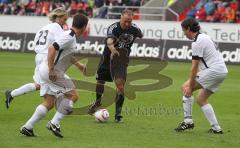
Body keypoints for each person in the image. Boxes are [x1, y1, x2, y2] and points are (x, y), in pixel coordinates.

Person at [20, 14, 89, 138]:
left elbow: (63, 53)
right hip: (51, 71)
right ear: (84, 27)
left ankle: (28, 127)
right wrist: (51, 69)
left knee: (50, 101)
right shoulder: (69, 36)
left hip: (45, 70)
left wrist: (79, 66)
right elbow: (52, 48)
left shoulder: (68, 35)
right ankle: (54, 123)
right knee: (73, 95)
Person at [5, 7, 85, 108]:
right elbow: (61, 48)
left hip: (39, 56)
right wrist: (79, 65)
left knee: (40, 85)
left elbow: (36, 44)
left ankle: (12, 94)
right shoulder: (57, 28)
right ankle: (61, 107)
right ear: (58, 17)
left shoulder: (43, 28)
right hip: (46, 58)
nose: (65, 23)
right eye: (64, 20)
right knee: (58, 84)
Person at [88, 9, 143, 122]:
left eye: (130, 21)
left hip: (121, 61)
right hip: (108, 59)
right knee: (100, 82)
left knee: (120, 86)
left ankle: (118, 115)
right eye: (125, 21)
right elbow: (109, 41)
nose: (127, 24)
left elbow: (140, 34)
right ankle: (98, 102)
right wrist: (112, 49)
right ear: (121, 17)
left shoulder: (134, 28)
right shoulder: (114, 27)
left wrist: (139, 33)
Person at [175, 18, 228, 134]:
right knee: (201, 99)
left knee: (185, 87)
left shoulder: (197, 42)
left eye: (184, 31)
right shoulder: (204, 37)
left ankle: (188, 121)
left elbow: (194, 67)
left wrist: (190, 85)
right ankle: (216, 128)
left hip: (213, 70)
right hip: (222, 71)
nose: (184, 34)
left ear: (188, 29)